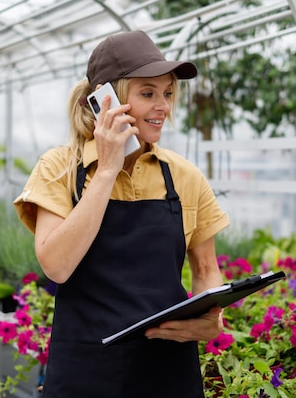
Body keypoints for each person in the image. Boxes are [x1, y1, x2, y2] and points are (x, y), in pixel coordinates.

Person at [13, 30, 230, 398]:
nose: (163, 106)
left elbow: (207, 271)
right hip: (85, 374)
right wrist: (107, 169)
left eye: (168, 93)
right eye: (148, 93)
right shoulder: (59, 168)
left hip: (168, 374)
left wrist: (213, 321)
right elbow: (57, 265)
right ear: (104, 100)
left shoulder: (185, 176)